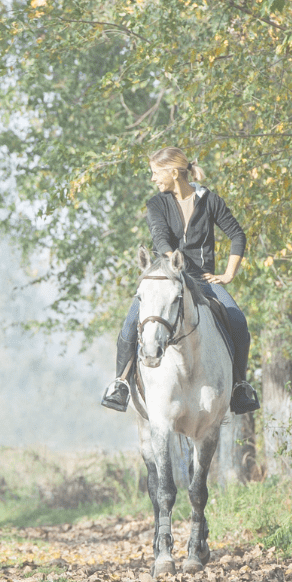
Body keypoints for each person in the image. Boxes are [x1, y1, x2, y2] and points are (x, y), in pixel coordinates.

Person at [101, 146, 261, 416]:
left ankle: (239, 386)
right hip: (169, 277)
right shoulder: (156, 203)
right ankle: (120, 384)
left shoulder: (210, 200)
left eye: (155, 173)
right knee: (130, 324)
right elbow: (160, 237)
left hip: (204, 280)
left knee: (238, 321)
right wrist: (171, 259)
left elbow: (237, 234)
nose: (152, 178)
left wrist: (229, 273)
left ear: (174, 172)